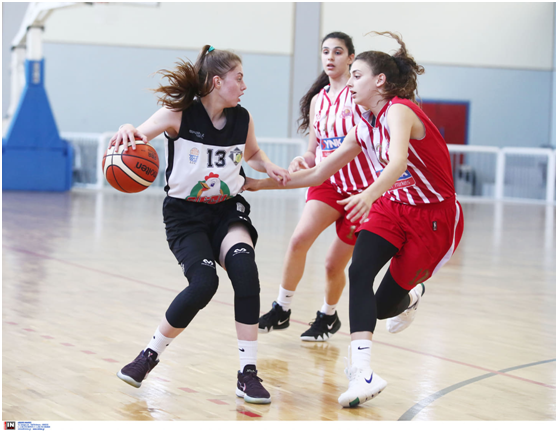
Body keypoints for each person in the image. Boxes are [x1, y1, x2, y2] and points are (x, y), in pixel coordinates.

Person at [245, 31, 464, 408]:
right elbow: (318, 173)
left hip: (433, 217)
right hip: (391, 205)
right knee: (359, 271)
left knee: (381, 308)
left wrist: (368, 194)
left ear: (380, 81)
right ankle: (362, 373)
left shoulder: (399, 110)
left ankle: (412, 293)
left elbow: (398, 162)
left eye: (358, 75)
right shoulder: (362, 125)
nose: (351, 82)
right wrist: (258, 184)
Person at [111, 45, 291, 405]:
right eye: (239, 78)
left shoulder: (242, 118)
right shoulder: (178, 114)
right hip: (185, 216)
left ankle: (247, 374)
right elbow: (137, 134)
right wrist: (127, 127)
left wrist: (268, 165)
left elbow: (252, 154)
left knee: (245, 271)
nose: (244, 85)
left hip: (227, 210)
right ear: (217, 81)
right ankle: (149, 355)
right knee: (204, 283)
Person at [258, 32, 378, 342]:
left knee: (332, 265)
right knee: (299, 239)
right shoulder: (318, 101)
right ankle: (282, 308)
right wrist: (303, 159)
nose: (330, 57)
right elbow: (315, 150)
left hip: (361, 192)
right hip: (327, 183)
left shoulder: (360, 96)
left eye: (338, 52)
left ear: (351, 58)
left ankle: (328, 315)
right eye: (326, 51)